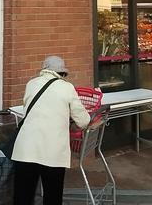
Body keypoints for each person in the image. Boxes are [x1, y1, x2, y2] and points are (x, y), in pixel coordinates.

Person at [12, 56, 90, 205]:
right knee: (52, 196)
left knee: (22, 196)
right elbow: (83, 120)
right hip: (53, 152)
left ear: (44, 69)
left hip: (25, 149)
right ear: (62, 73)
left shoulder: (31, 84)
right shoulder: (67, 87)